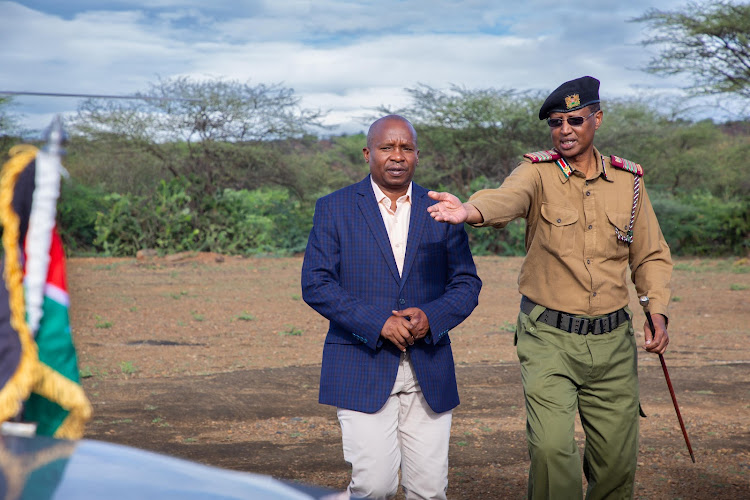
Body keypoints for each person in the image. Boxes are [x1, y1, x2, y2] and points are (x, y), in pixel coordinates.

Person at [427, 76, 673, 499]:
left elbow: (649, 254)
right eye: (556, 122)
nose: (565, 130)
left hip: (614, 341)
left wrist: (658, 312)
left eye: (575, 120)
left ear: (597, 119)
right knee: (550, 451)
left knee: (616, 461)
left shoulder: (629, 181)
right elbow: (507, 197)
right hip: (549, 338)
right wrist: (469, 209)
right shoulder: (536, 173)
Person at [301, 114, 482, 500]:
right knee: (373, 486)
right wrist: (377, 321)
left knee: (430, 491)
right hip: (360, 364)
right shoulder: (335, 208)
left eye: (406, 148)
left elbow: (467, 283)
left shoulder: (443, 209)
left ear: (417, 155)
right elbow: (316, 283)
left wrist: (432, 316)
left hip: (428, 367)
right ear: (368, 153)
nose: (396, 156)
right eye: (387, 147)